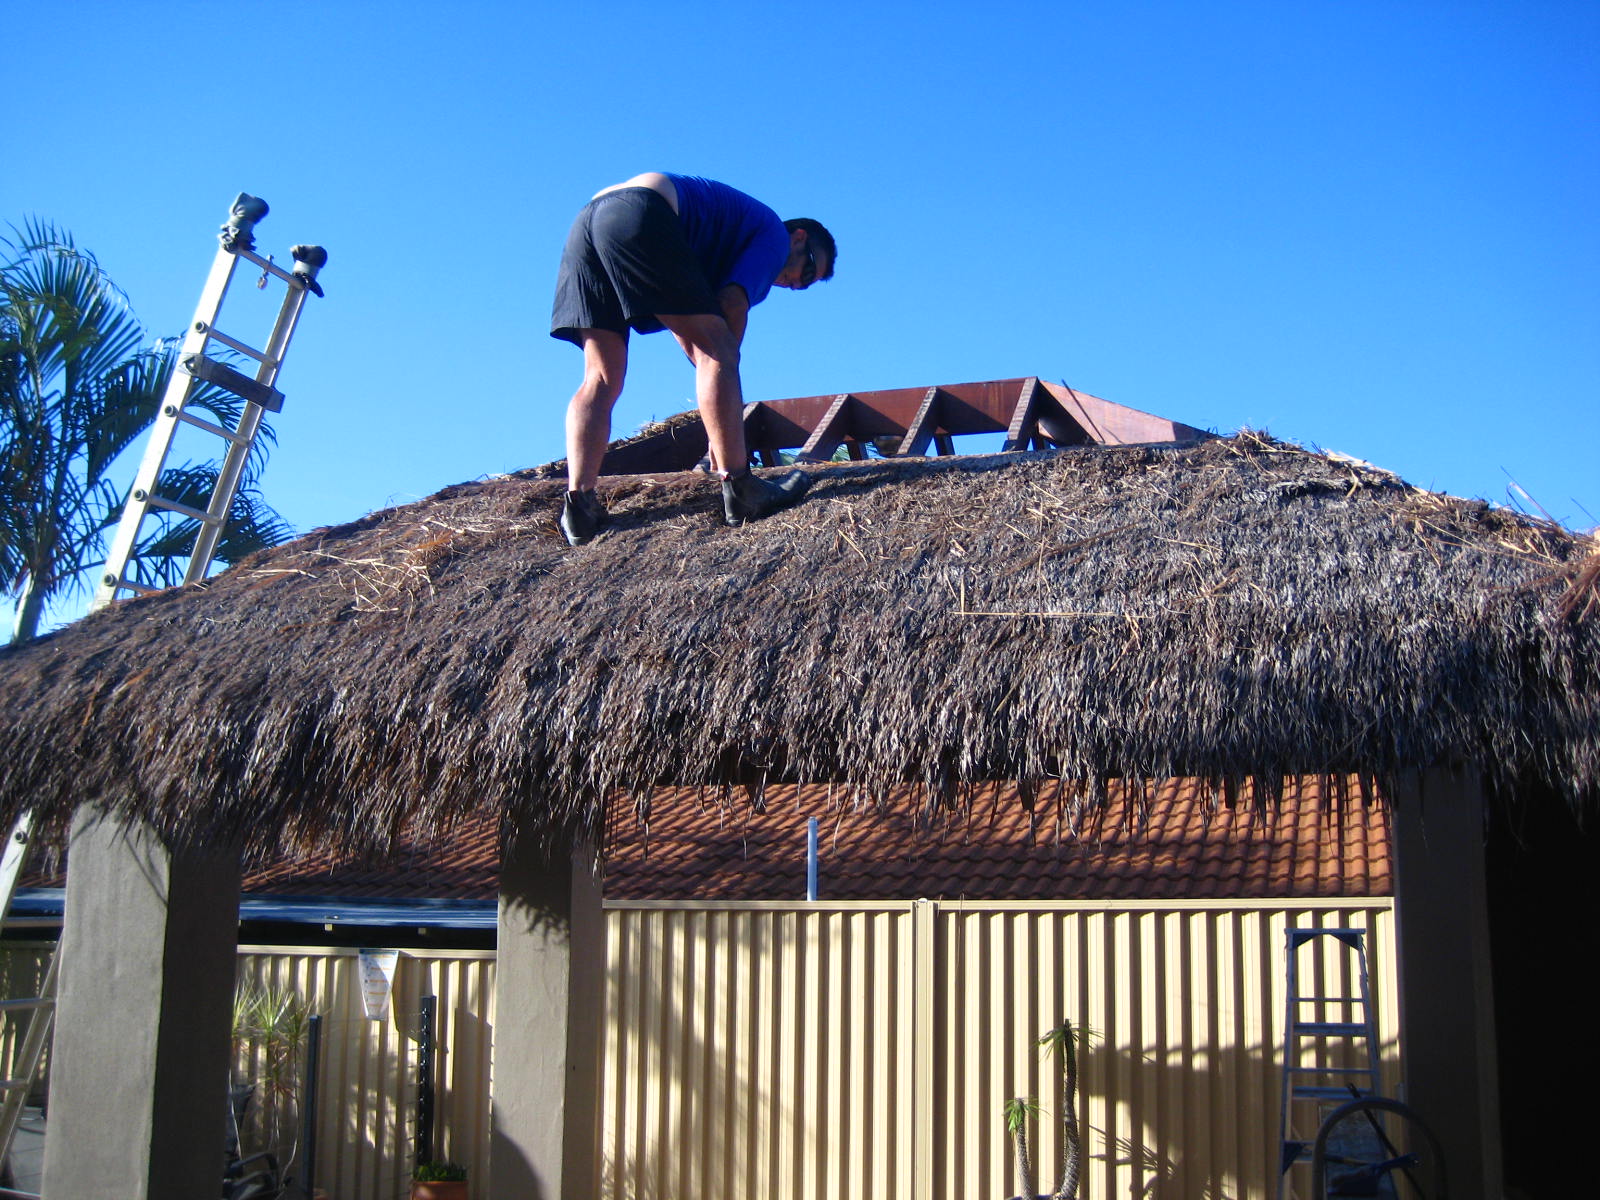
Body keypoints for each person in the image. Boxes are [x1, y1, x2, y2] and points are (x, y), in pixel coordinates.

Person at [550, 172, 836, 545]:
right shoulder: (772, 235)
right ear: (798, 237)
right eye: (810, 269)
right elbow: (728, 318)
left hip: (588, 222)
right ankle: (740, 487)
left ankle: (580, 507)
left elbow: (691, 335)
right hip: (641, 209)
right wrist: (724, 392)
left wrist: (719, 412)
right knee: (721, 350)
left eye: (808, 285)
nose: (799, 284)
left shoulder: (718, 244)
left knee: (601, 376)